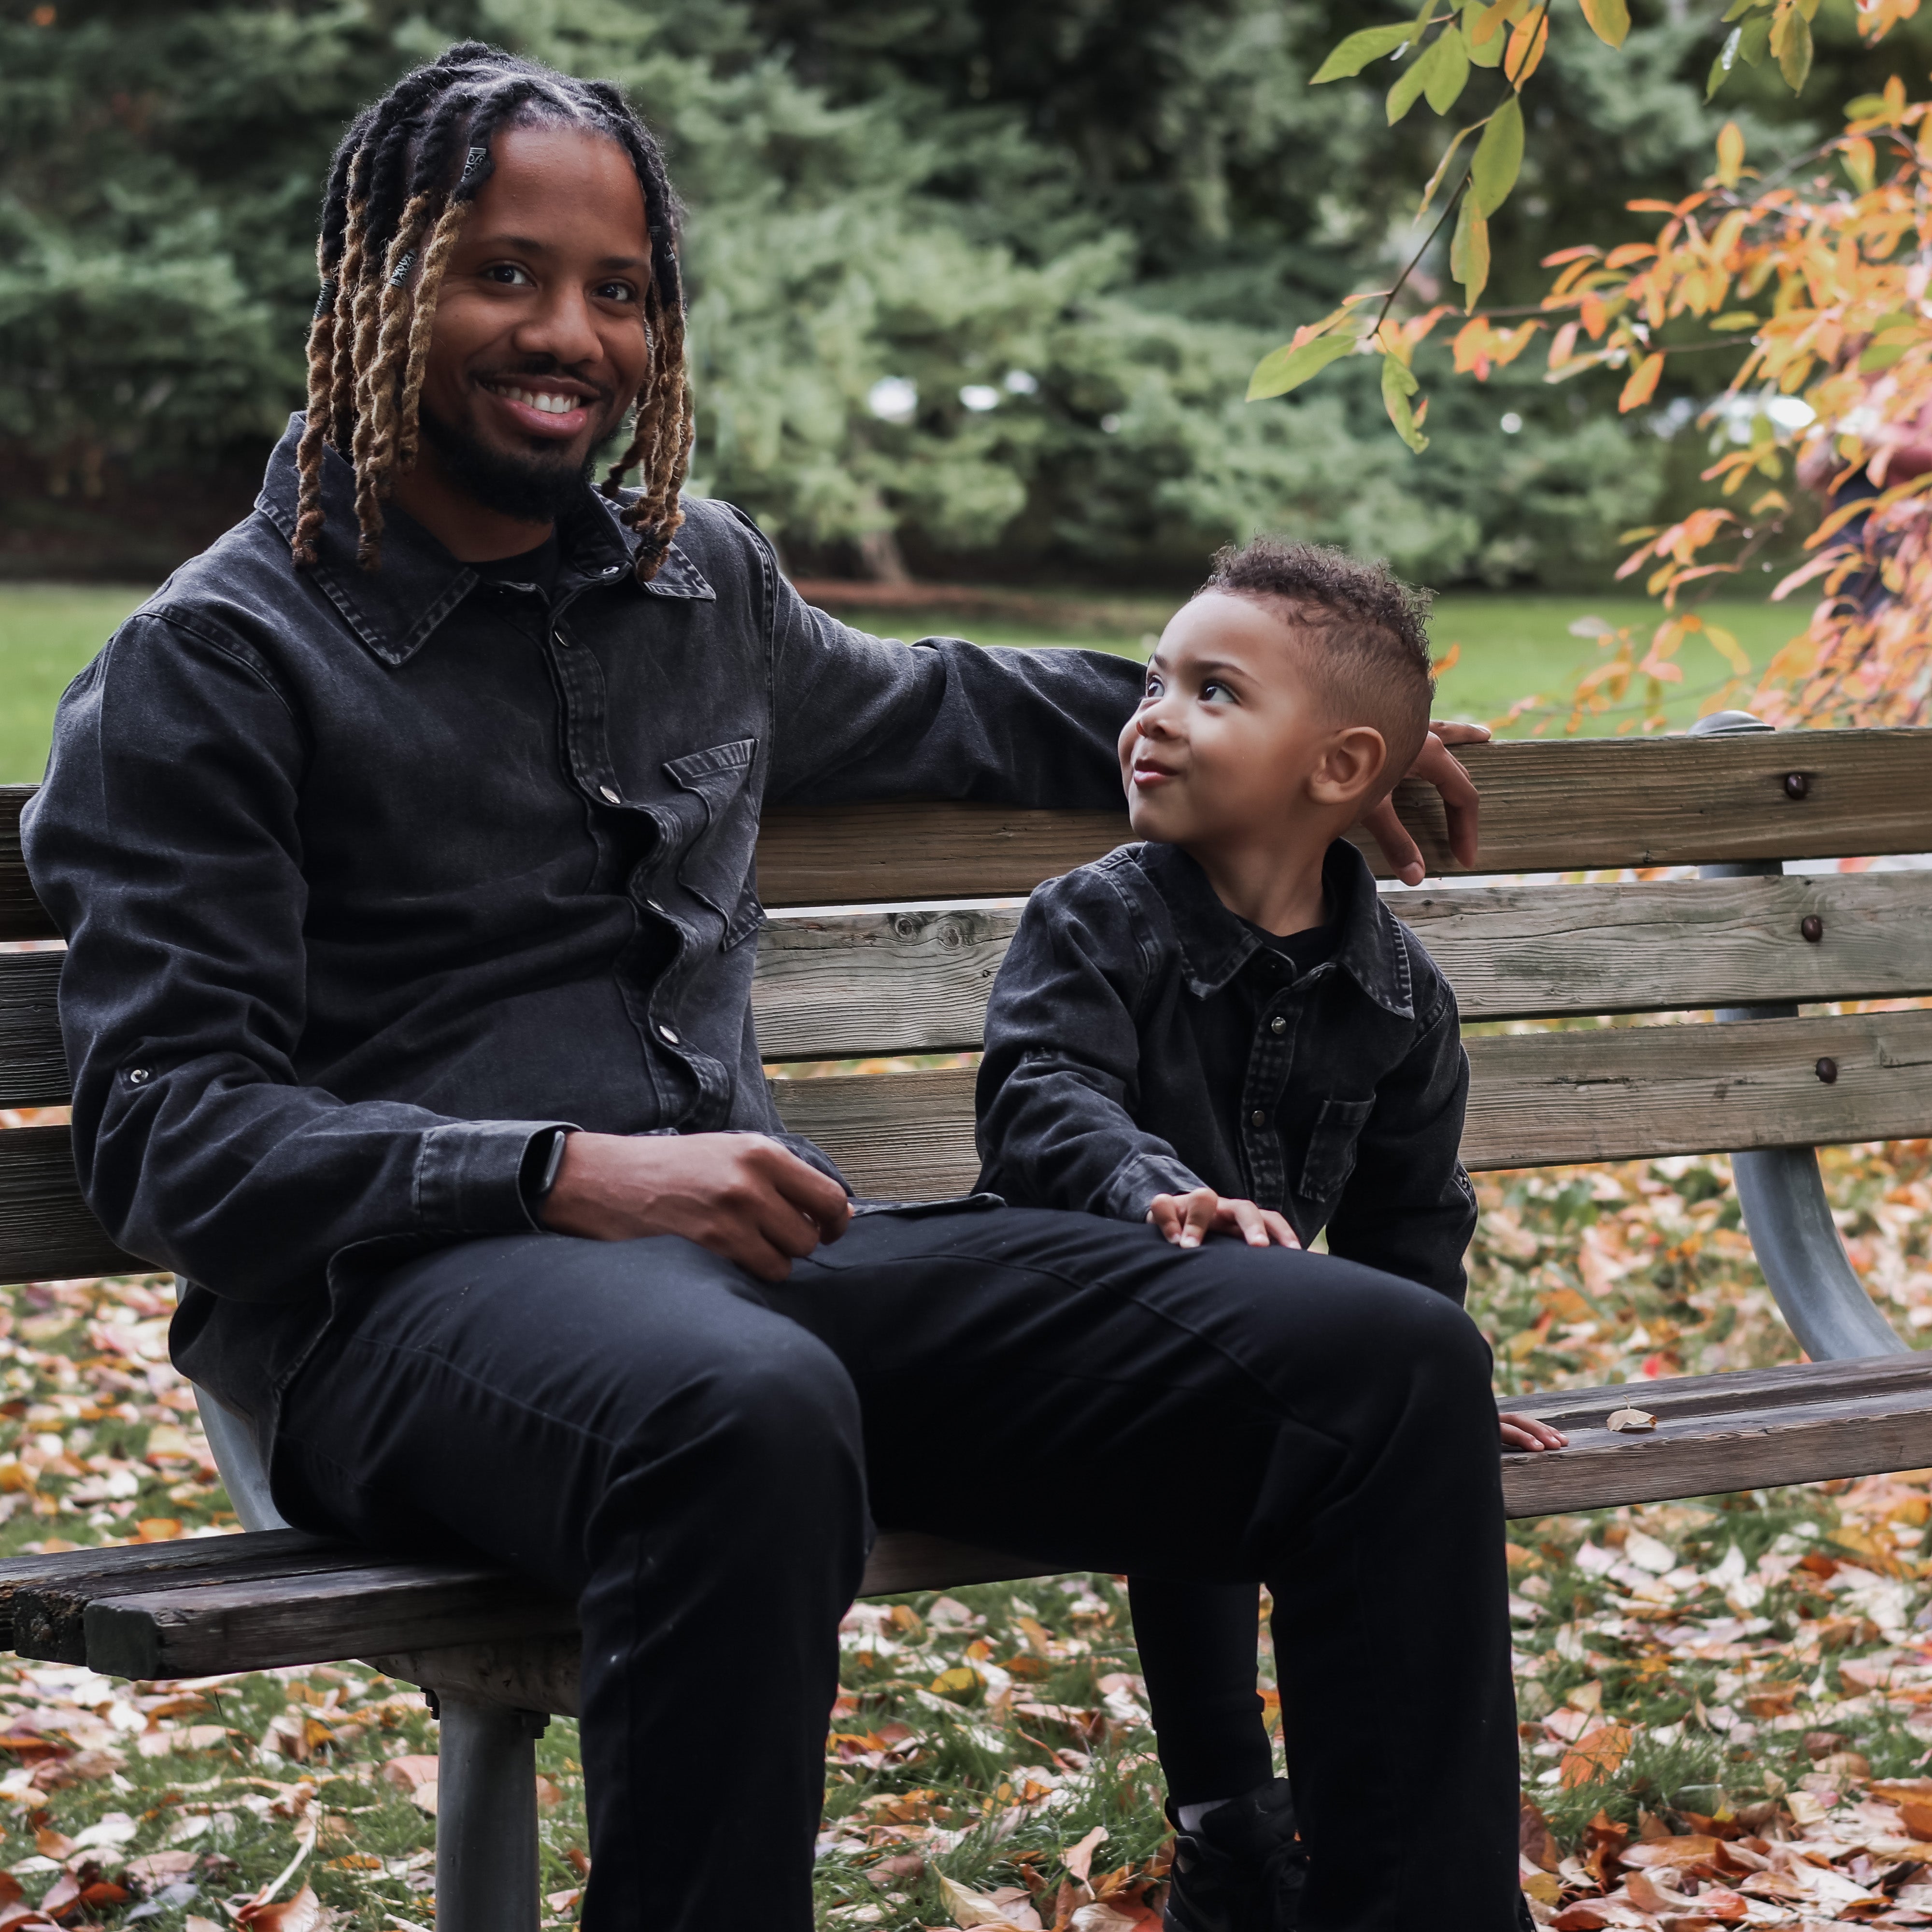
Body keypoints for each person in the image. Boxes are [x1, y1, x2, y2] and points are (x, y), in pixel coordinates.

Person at [21, 43, 1519, 1932]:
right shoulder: (215, 665)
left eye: (619, 288)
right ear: (371, 282)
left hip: (757, 1280)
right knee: (739, 1410)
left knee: (1381, 1360)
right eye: (505, 270)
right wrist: (570, 1167)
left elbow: (953, 705)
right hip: (394, 1327)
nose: (570, 329)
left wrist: (1309, 735)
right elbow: (172, 1137)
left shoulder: (692, 588)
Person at [976, 540, 1565, 1932]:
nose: (1152, 714)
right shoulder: (1095, 919)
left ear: (1344, 770)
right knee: (1205, 1440)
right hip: (1089, 1341)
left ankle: (1326, 1839)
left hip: (1283, 1374)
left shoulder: (1399, 996)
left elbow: (1415, 1212)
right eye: (1155, 682)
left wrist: (1435, 1380)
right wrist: (1153, 1187)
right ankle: (1227, 1818)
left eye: (1213, 691)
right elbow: (1037, 1094)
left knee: (1302, 1440)